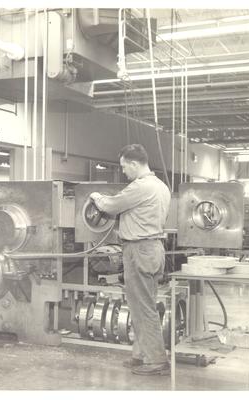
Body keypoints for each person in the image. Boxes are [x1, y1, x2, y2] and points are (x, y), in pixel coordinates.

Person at [89, 143, 171, 376]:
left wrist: (95, 196)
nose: (124, 171)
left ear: (135, 164)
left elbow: (111, 206)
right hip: (153, 249)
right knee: (144, 305)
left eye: (125, 167)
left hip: (139, 250)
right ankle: (141, 354)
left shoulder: (141, 187)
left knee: (143, 308)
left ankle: (156, 361)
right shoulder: (161, 186)